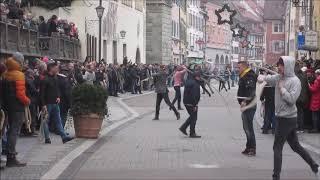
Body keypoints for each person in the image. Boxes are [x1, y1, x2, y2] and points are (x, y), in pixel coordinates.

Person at [258, 56, 319, 180]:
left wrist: (281, 89)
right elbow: (270, 79)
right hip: (284, 117)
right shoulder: (280, 77)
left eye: (281, 65)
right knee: (295, 146)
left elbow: (291, 100)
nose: (279, 67)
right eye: (279, 65)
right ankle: (314, 166)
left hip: (286, 118)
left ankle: (276, 176)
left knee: (277, 147)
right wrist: (262, 78)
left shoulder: (295, 81)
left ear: (288, 66)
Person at [1, 53, 30, 167]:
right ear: (20, 62)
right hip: (17, 107)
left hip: (7, 106)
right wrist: (27, 101)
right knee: (14, 131)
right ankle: (11, 157)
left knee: (7, 131)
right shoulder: (19, 75)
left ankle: (8, 153)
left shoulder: (6, 73)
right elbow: (20, 94)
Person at [40, 62, 74, 144]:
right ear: (51, 68)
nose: (57, 69)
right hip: (47, 104)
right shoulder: (45, 79)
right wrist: (43, 104)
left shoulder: (55, 78)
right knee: (46, 121)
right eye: (56, 67)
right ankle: (47, 138)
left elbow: (57, 89)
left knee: (58, 120)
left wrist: (58, 96)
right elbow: (41, 93)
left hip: (55, 103)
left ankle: (64, 137)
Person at [237, 60, 257, 156]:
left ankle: (252, 148)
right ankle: (248, 146)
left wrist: (245, 102)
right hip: (245, 106)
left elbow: (251, 92)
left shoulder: (250, 76)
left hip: (249, 105)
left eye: (239, 67)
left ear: (244, 67)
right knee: (246, 127)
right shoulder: (244, 75)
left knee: (249, 128)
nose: (238, 69)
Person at [179, 71, 201, 138]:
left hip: (186, 101)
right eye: (199, 77)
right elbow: (194, 95)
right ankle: (192, 133)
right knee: (194, 118)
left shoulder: (189, 81)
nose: (200, 78)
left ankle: (183, 128)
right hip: (191, 103)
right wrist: (195, 105)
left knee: (192, 116)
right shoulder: (195, 84)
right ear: (196, 77)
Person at [308, 69, 320, 133]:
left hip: (316, 99)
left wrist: (309, 86)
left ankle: (315, 128)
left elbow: (314, 89)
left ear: (317, 74)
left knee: (315, 115)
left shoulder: (317, 80)